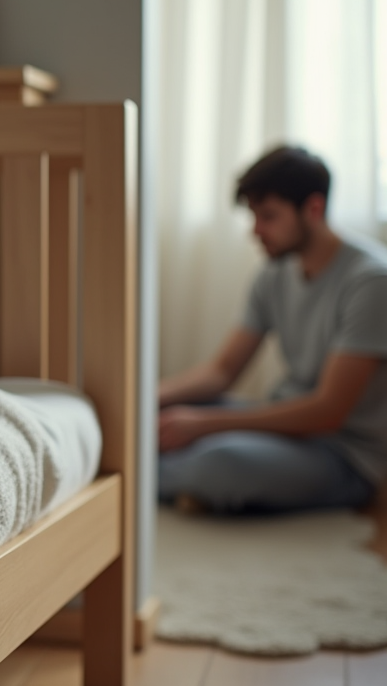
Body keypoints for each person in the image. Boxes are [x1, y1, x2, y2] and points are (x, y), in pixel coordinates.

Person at [158, 145, 387, 514]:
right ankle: (180, 481)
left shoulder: (372, 283)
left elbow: (328, 412)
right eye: (253, 216)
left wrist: (201, 427)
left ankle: (155, 475)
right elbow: (221, 372)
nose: (256, 231)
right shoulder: (273, 272)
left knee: (219, 462)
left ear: (313, 209)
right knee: (173, 412)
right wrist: (147, 399)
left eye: (268, 216)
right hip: (283, 423)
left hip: (343, 453)